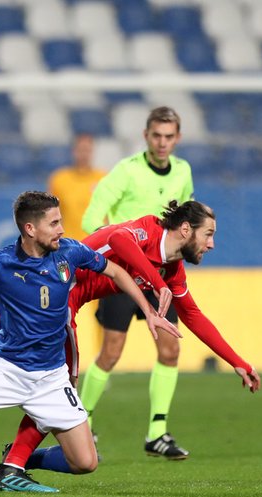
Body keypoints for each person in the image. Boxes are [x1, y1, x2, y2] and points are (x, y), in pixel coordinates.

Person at [0, 200, 260, 491]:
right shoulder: (146, 230)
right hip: (56, 308)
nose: (212, 243)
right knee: (56, 376)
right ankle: (12, 464)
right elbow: (116, 239)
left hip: (36, 305)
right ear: (185, 229)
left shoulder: (171, 271)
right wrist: (150, 284)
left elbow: (192, 315)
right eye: (209, 234)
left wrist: (237, 361)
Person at [80, 105, 196, 458]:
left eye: (169, 137)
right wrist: (123, 250)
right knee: (111, 353)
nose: (162, 143)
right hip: (120, 277)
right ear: (146, 136)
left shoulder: (183, 172)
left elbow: (185, 223)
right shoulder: (125, 172)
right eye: (156, 136)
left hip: (159, 278)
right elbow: (90, 220)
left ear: (177, 138)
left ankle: (157, 433)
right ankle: (80, 424)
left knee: (170, 349)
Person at [47, 134, 105, 242]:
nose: (84, 154)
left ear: (92, 152)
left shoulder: (103, 178)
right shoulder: (59, 179)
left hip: (97, 245)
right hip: (69, 244)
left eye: (87, 150)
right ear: (73, 151)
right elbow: (49, 215)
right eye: (80, 149)